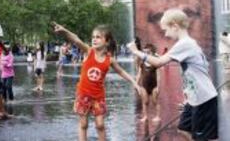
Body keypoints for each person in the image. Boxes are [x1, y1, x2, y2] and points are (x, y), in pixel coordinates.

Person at [128, 8, 218, 141]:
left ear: (175, 26)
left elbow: (158, 62)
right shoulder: (189, 44)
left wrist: (136, 52)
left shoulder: (185, 44)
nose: (166, 34)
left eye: (166, 29)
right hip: (196, 99)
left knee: (201, 137)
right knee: (183, 128)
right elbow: (199, 72)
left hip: (204, 101)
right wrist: (189, 98)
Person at [53, 22, 141, 141]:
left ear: (107, 41)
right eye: (93, 37)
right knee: (83, 124)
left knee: (100, 125)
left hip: (98, 97)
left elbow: (121, 71)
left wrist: (134, 82)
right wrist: (64, 31)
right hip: (83, 94)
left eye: (98, 37)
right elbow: (76, 40)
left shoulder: (110, 59)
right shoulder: (89, 52)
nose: (94, 39)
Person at [136, 43, 160, 123]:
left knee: (155, 101)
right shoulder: (142, 62)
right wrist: (136, 84)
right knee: (145, 101)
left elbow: (159, 75)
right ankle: (145, 116)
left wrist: (158, 87)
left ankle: (158, 116)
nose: (146, 53)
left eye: (148, 52)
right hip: (144, 85)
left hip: (154, 85)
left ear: (151, 52)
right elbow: (139, 74)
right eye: (145, 52)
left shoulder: (155, 62)